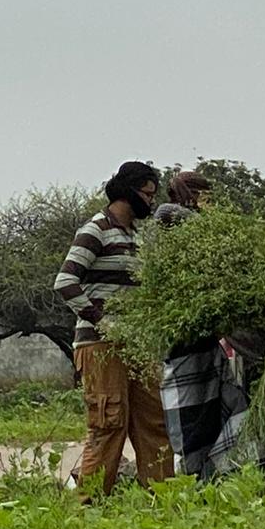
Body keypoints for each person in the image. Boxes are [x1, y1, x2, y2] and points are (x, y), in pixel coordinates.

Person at [54, 160, 174, 495]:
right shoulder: (95, 230)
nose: (152, 202)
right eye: (148, 195)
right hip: (101, 346)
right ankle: (89, 508)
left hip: (136, 345)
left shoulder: (136, 235)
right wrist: (102, 321)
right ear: (129, 192)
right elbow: (65, 282)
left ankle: (164, 501)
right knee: (108, 424)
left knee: (154, 422)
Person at [155, 169, 257, 480]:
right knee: (193, 422)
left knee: (230, 408)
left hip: (205, 344)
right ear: (192, 195)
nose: (209, 204)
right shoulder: (170, 219)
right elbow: (176, 217)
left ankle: (217, 475)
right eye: (205, 197)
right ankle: (197, 477)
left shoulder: (189, 236)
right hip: (182, 347)